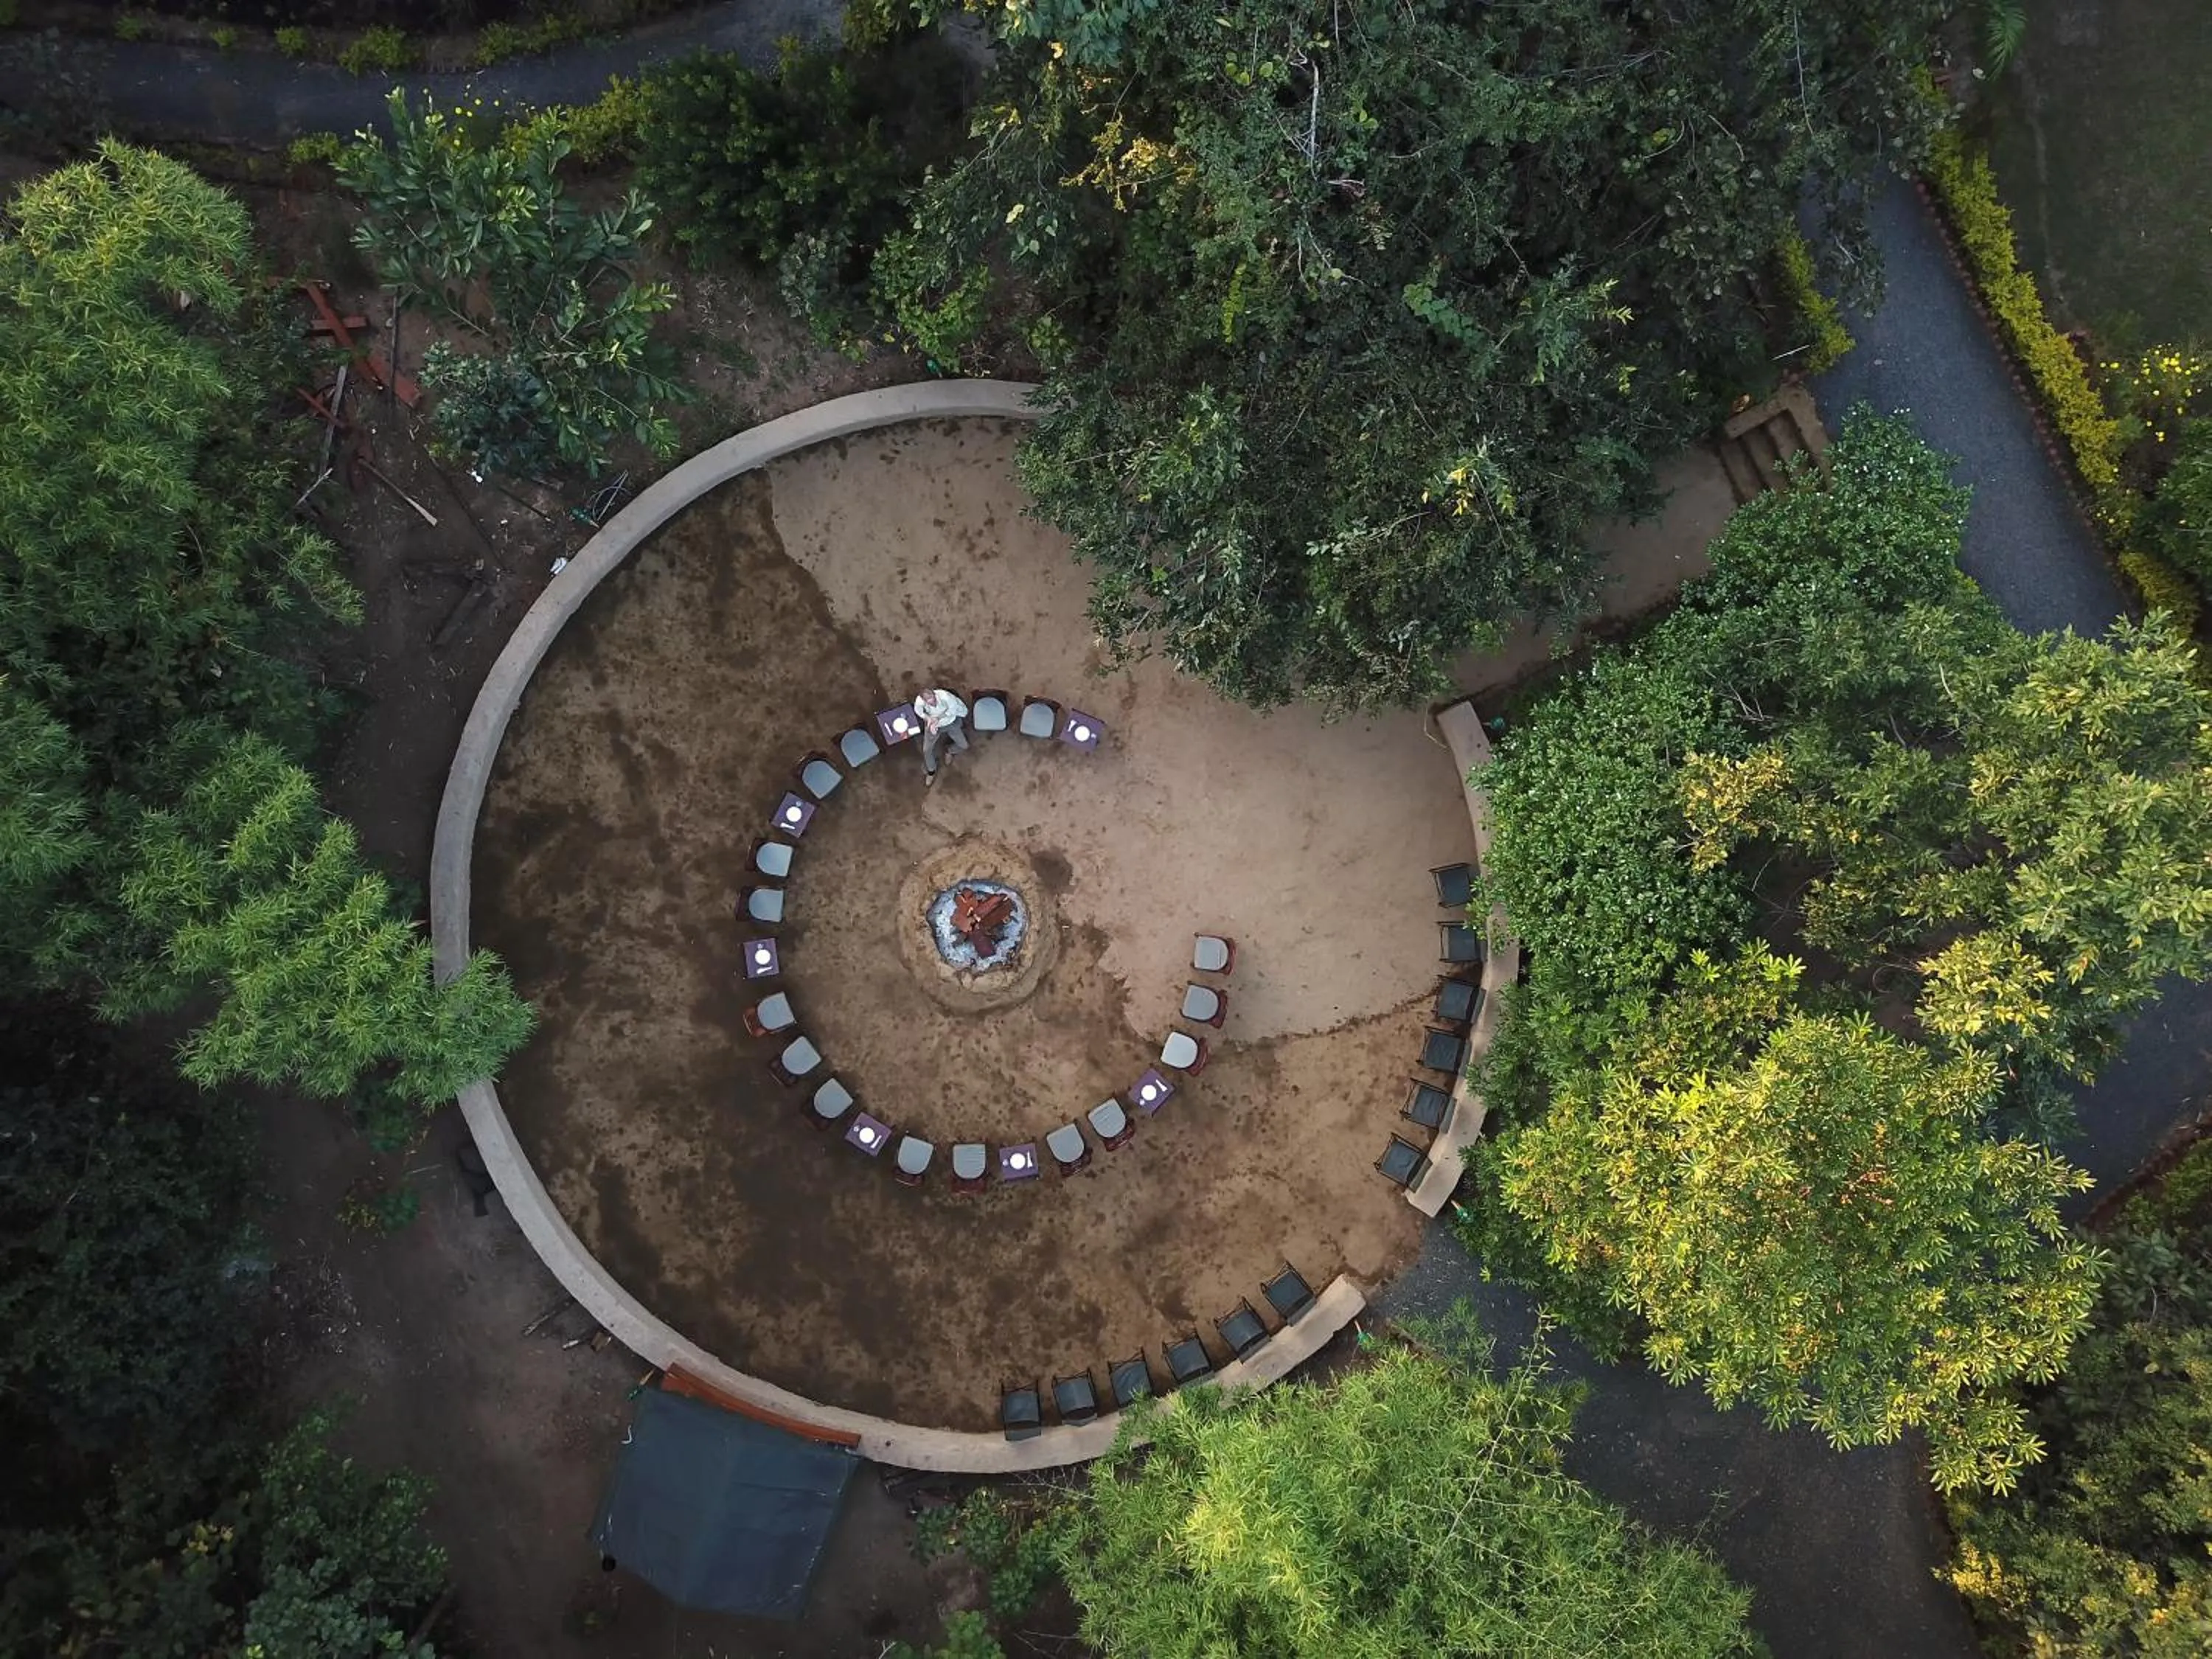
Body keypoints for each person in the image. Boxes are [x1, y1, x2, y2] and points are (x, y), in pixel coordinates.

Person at [914, 686, 969, 786]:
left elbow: (952, 711)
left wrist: (937, 719)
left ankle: (949, 751)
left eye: (933, 700)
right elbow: (919, 711)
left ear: (935, 695)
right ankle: (931, 771)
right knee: (927, 750)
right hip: (933, 725)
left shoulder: (946, 697)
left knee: (964, 745)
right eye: (929, 702)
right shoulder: (919, 701)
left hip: (950, 723)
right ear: (924, 701)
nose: (932, 703)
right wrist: (929, 719)